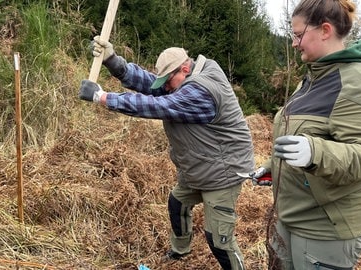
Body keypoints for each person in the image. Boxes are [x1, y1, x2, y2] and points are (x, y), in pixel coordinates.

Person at [79, 36, 255, 270]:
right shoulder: (186, 78)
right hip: (202, 166)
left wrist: (102, 97)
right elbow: (155, 85)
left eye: (169, 81)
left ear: (184, 68)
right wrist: (115, 63)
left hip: (223, 173)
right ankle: (180, 251)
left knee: (219, 240)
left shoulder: (202, 90)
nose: (167, 87)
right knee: (177, 203)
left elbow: (158, 105)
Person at [251, 0, 361, 269]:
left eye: (298, 34)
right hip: (292, 216)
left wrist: (314, 152)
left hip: (326, 227)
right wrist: (273, 167)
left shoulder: (357, 81)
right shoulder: (313, 79)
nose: (294, 43)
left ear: (325, 30)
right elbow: (302, 137)